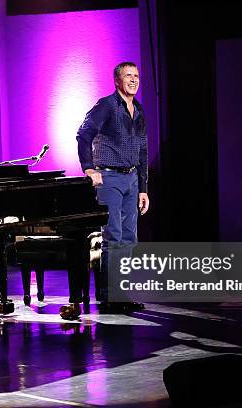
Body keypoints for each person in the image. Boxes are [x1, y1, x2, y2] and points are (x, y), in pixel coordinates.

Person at [76, 61, 149, 311]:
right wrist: (88, 167)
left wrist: (143, 188)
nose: (133, 80)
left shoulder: (138, 110)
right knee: (113, 236)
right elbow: (83, 134)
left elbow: (142, 151)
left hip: (130, 178)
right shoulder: (106, 105)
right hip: (109, 178)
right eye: (128, 76)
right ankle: (109, 297)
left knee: (129, 238)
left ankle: (122, 294)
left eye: (136, 76)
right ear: (117, 81)